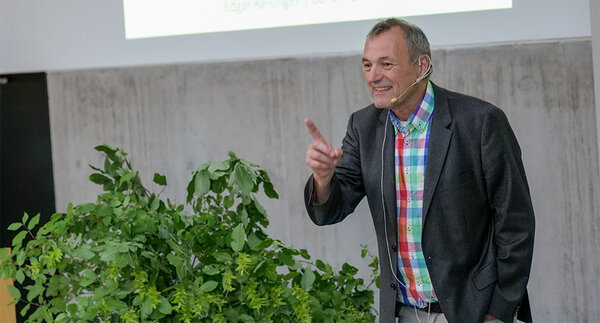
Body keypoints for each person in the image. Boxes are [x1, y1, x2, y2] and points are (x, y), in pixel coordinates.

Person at [303, 18, 535, 323]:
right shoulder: (364, 127)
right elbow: (330, 210)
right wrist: (323, 177)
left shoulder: (480, 121)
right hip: (403, 312)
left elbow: (515, 223)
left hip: (474, 312)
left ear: (421, 65)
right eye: (367, 65)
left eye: (386, 63)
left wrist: (499, 311)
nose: (374, 76)